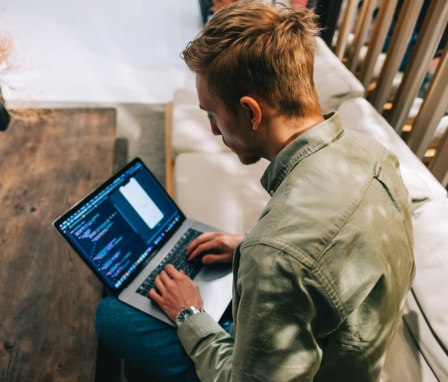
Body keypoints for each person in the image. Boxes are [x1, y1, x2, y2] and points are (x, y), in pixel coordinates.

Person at [96, 1, 415, 380]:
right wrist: (244, 248)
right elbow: (335, 251)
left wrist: (190, 314)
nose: (214, 130)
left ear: (250, 112)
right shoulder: (375, 156)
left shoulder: (275, 257)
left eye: (212, 114)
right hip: (345, 345)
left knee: (111, 315)